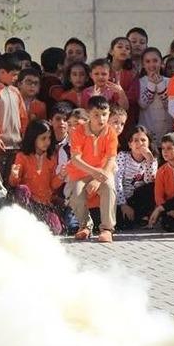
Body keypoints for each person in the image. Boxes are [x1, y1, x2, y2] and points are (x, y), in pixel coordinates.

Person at [65, 96, 118, 243]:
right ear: (89, 114)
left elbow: (110, 158)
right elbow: (76, 159)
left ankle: (107, 229)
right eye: (96, 114)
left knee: (109, 188)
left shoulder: (110, 132)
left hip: (103, 172)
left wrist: (97, 178)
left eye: (104, 114)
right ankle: (85, 226)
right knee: (76, 192)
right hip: (81, 173)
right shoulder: (78, 131)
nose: (101, 118)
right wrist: (94, 173)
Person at [9, 119, 64, 234]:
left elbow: (52, 186)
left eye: (49, 138)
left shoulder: (51, 158)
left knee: (56, 229)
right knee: (22, 189)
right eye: (43, 138)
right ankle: (22, 220)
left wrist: (61, 176)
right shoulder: (22, 156)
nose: (47, 142)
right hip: (27, 202)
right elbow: (14, 184)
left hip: (44, 204)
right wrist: (14, 175)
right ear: (33, 138)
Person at [0, 54, 27, 179]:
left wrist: (24, 135)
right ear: (2, 72)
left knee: (12, 179)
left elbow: (23, 117)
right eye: (13, 74)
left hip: (16, 144)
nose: (16, 78)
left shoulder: (15, 91)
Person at [115, 126, 158, 229]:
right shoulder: (123, 156)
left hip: (140, 198)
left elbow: (149, 181)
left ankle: (143, 217)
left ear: (148, 143)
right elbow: (117, 180)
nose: (140, 143)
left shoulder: (153, 159)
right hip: (123, 198)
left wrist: (149, 160)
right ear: (130, 144)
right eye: (135, 140)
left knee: (151, 187)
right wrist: (123, 204)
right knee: (123, 224)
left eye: (143, 140)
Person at [138, 47, 171, 148]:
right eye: (147, 61)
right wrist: (151, 85)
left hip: (167, 129)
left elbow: (169, 105)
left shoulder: (170, 81)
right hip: (147, 129)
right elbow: (143, 104)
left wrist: (160, 86)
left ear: (161, 63)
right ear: (143, 64)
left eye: (155, 61)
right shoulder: (140, 82)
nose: (152, 64)